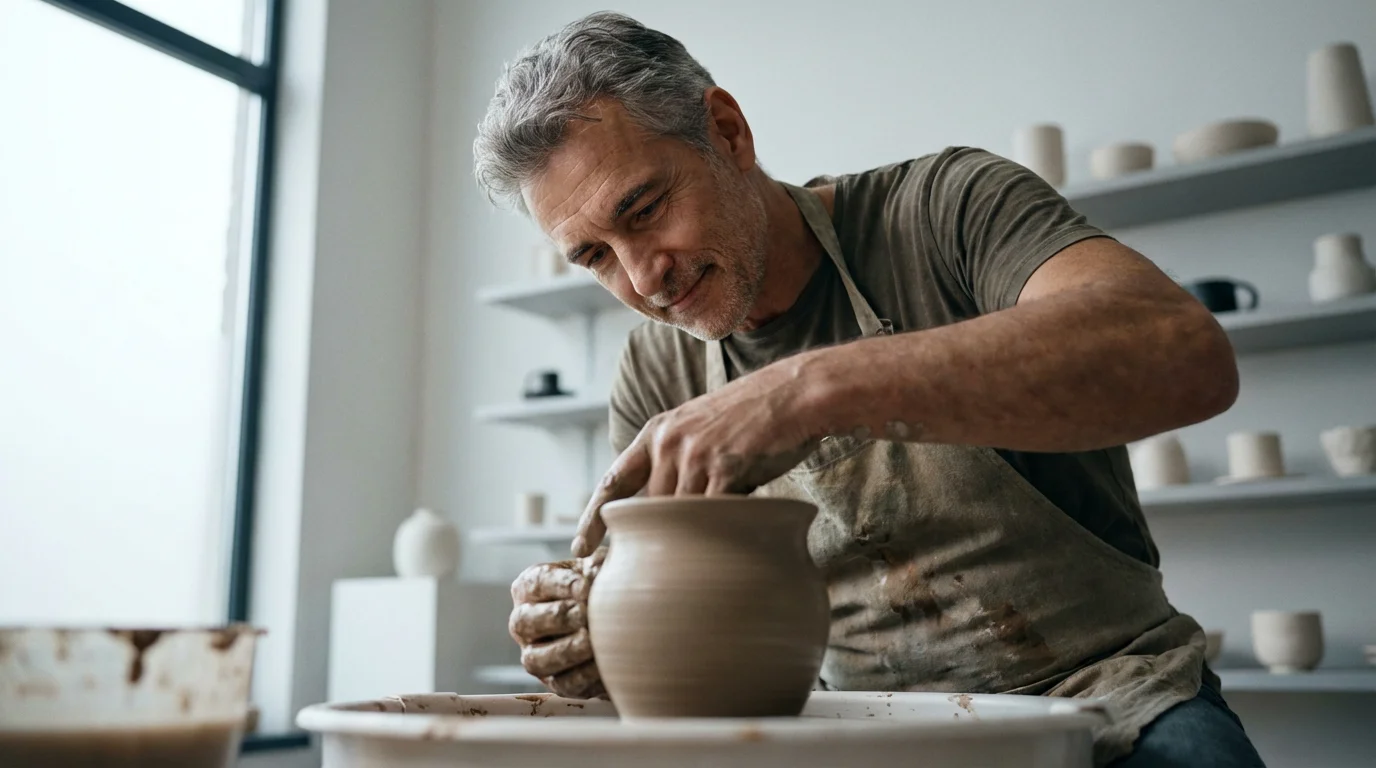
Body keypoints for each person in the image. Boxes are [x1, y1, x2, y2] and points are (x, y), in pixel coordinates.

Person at [473, 11, 1265, 768]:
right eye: (596, 258)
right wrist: (592, 635)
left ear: (727, 131)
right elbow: (683, 624)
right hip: (849, 728)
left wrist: (808, 388)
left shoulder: (945, 210)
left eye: (645, 210)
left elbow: (1183, 352)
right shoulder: (657, 372)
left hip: (1108, 696)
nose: (645, 277)